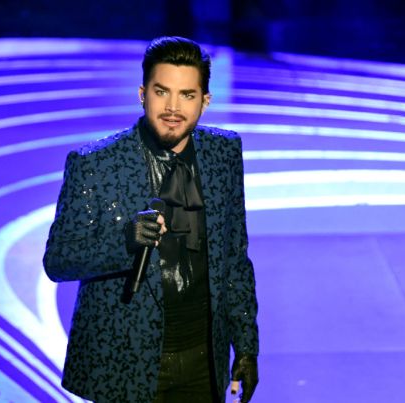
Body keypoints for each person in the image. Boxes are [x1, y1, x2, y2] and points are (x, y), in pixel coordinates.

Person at [43, 36, 258, 403]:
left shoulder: (224, 153)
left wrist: (248, 346)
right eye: (162, 92)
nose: (173, 107)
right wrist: (125, 240)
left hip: (204, 363)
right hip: (124, 364)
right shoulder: (95, 164)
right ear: (143, 94)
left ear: (205, 101)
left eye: (187, 95)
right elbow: (59, 261)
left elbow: (234, 257)